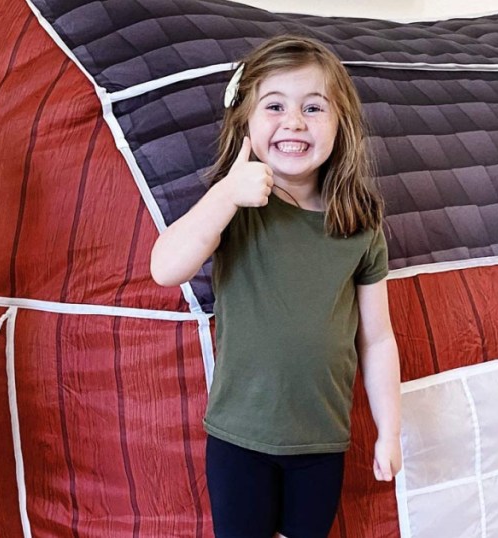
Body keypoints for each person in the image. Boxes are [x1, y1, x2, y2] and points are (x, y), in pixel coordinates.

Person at [151, 36, 401, 538]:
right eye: (274, 106)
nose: (294, 122)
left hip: (321, 444)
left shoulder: (360, 224)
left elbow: (376, 339)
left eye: (313, 107)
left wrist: (389, 432)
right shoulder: (236, 208)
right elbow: (166, 267)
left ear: (341, 125)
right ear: (245, 121)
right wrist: (226, 194)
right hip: (239, 439)